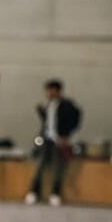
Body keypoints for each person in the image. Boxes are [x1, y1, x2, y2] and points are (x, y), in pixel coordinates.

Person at [25, 79, 81, 207]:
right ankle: (34, 192)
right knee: (40, 165)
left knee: (58, 167)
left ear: (58, 91)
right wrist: (41, 113)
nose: (48, 93)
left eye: (51, 90)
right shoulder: (48, 105)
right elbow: (47, 122)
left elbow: (75, 120)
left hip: (59, 140)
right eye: (47, 91)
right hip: (46, 139)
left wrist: (66, 136)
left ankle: (55, 193)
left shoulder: (68, 105)